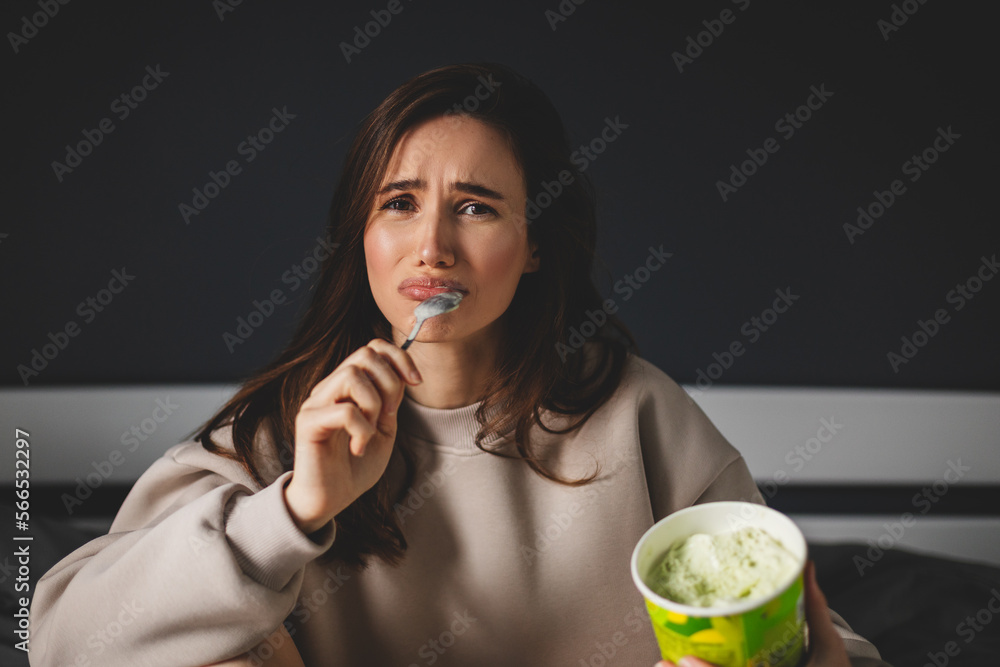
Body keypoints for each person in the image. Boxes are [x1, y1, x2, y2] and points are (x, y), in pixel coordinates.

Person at [29, 62, 890, 667]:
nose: (432, 246)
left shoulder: (635, 413)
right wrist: (296, 508)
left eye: (475, 208)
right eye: (399, 204)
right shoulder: (284, 435)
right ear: (362, 239)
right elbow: (66, 641)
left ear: (536, 246)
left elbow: (821, 638)